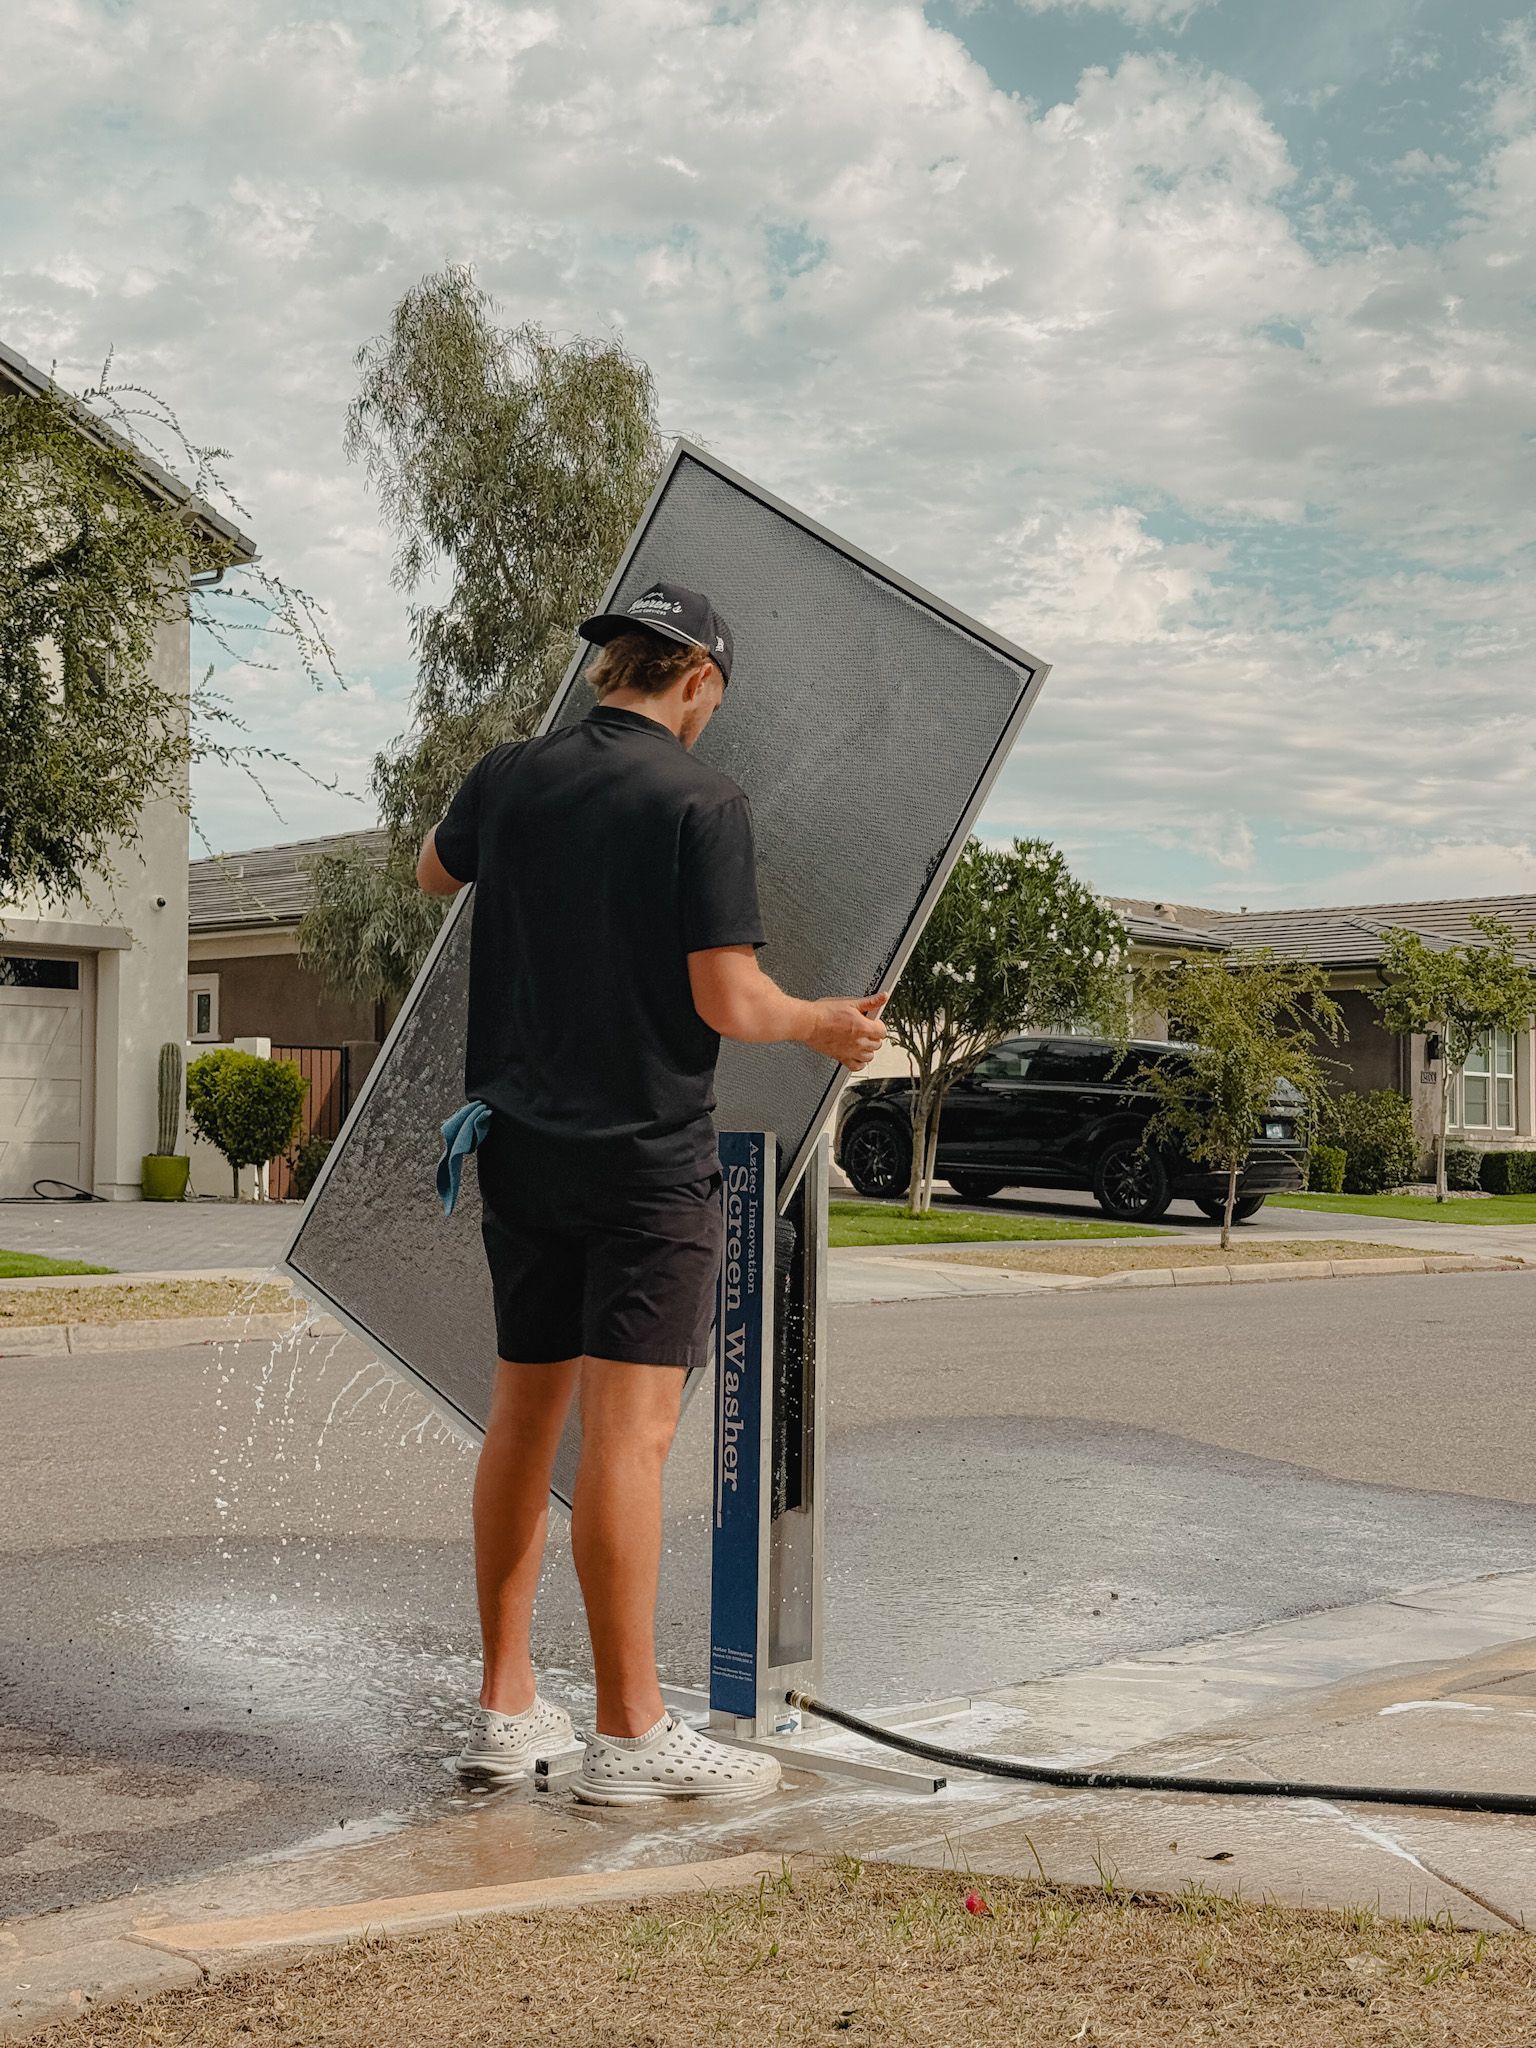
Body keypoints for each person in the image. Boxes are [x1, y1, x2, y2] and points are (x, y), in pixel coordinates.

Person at [417, 579, 887, 1804]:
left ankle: (508, 1704)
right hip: (642, 1164)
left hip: (517, 1148)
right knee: (628, 1438)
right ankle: (632, 1735)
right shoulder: (701, 799)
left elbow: (431, 871)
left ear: (605, 666)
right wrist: (822, 1022)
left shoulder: (509, 771)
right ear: (699, 682)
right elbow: (730, 1002)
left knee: (525, 1418)